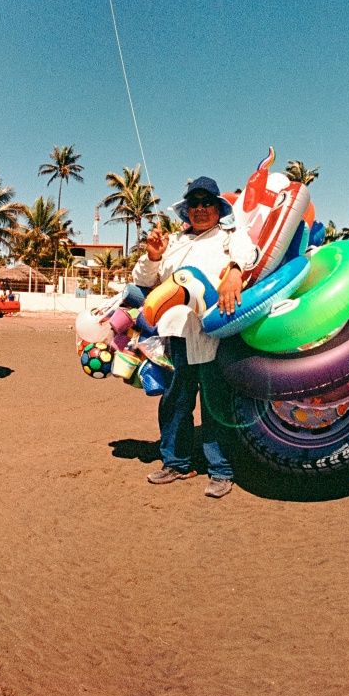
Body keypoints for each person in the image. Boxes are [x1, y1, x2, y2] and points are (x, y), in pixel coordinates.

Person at [132, 177, 255, 499]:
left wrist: (235, 271)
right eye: (194, 203)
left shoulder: (231, 237)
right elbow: (144, 279)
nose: (200, 208)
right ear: (186, 210)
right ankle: (176, 461)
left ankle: (221, 470)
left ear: (218, 208)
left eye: (207, 202)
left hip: (216, 332)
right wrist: (154, 256)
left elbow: (248, 253)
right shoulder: (172, 242)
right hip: (175, 334)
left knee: (216, 402)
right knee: (175, 401)